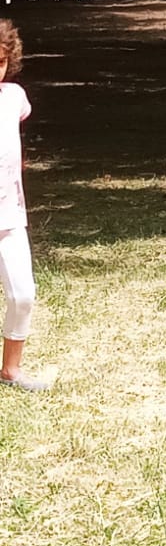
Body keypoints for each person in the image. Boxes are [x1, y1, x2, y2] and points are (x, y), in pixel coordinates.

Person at [0, 21, 48, 392]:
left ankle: (11, 369)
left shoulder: (14, 96)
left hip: (9, 214)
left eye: (0, 61)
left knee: (23, 293)